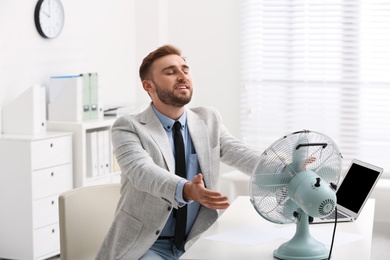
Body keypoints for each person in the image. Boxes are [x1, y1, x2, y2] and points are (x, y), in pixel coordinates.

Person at [96, 44, 261, 260]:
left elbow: (239, 152)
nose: (182, 76)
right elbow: (142, 172)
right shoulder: (128, 127)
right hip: (149, 245)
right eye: (171, 72)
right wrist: (187, 190)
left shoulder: (208, 119)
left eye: (185, 69)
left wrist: (283, 166)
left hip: (197, 240)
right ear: (148, 86)